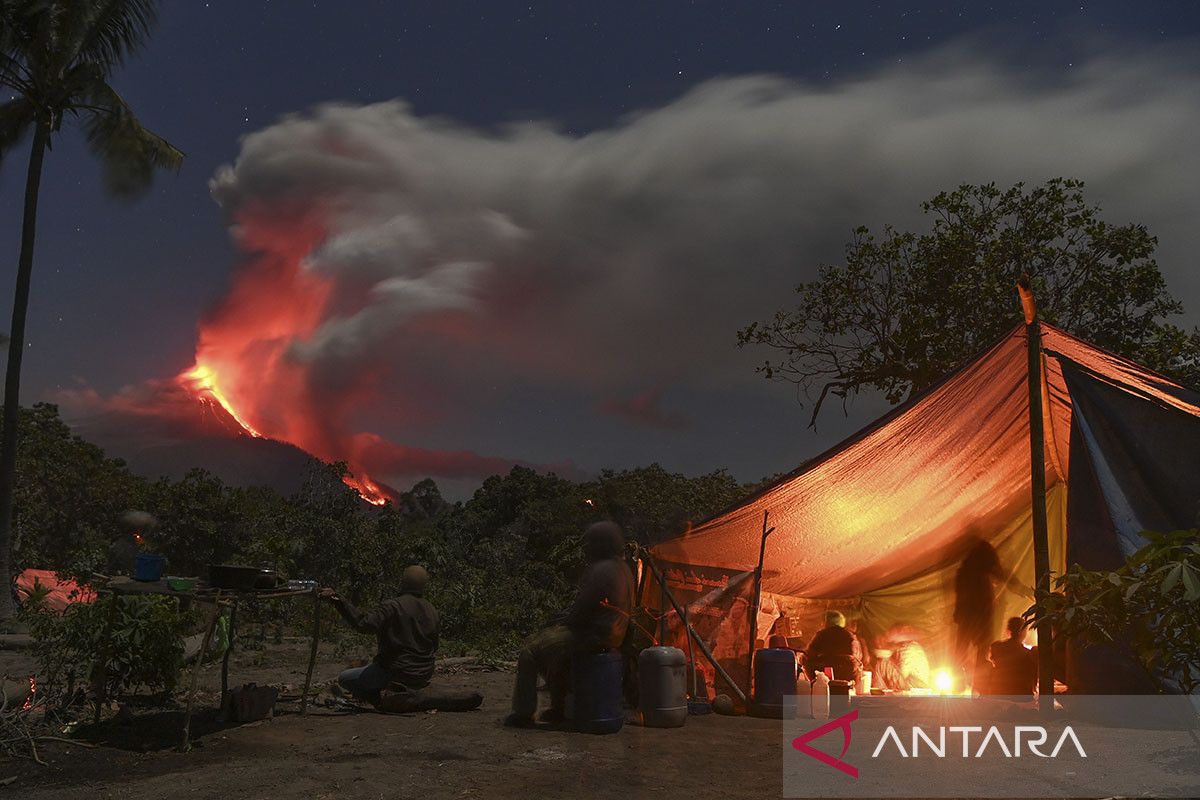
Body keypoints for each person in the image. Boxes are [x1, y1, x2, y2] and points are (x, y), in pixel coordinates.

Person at [504, 521, 635, 728]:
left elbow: (581, 611)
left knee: (531, 650)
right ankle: (559, 708)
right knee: (555, 651)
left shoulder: (603, 570)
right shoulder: (624, 569)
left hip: (593, 635)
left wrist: (559, 623)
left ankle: (523, 712)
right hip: (614, 634)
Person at [320, 565, 440, 705]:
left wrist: (338, 600)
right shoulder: (432, 610)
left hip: (396, 672)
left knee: (345, 678)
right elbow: (434, 646)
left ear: (403, 582)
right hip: (423, 674)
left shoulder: (392, 606)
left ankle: (380, 699)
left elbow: (363, 624)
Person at [953, 537, 1029, 689]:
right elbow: (1003, 575)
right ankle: (976, 685)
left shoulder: (965, 573)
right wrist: (1024, 590)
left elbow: (1002, 575)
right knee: (978, 651)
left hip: (968, 617)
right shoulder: (977, 575)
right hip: (978, 617)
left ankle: (961, 684)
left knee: (962, 651)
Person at [984, 616, 1037, 696]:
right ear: (1024, 632)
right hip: (1021, 695)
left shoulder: (996, 647)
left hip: (998, 693)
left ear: (1009, 629)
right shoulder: (1028, 654)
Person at [805, 610, 862, 681]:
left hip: (826, 668)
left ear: (827, 621)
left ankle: (813, 685)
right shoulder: (850, 635)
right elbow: (859, 656)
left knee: (805, 661)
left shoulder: (822, 634)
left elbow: (810, 654)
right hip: (850, 671)